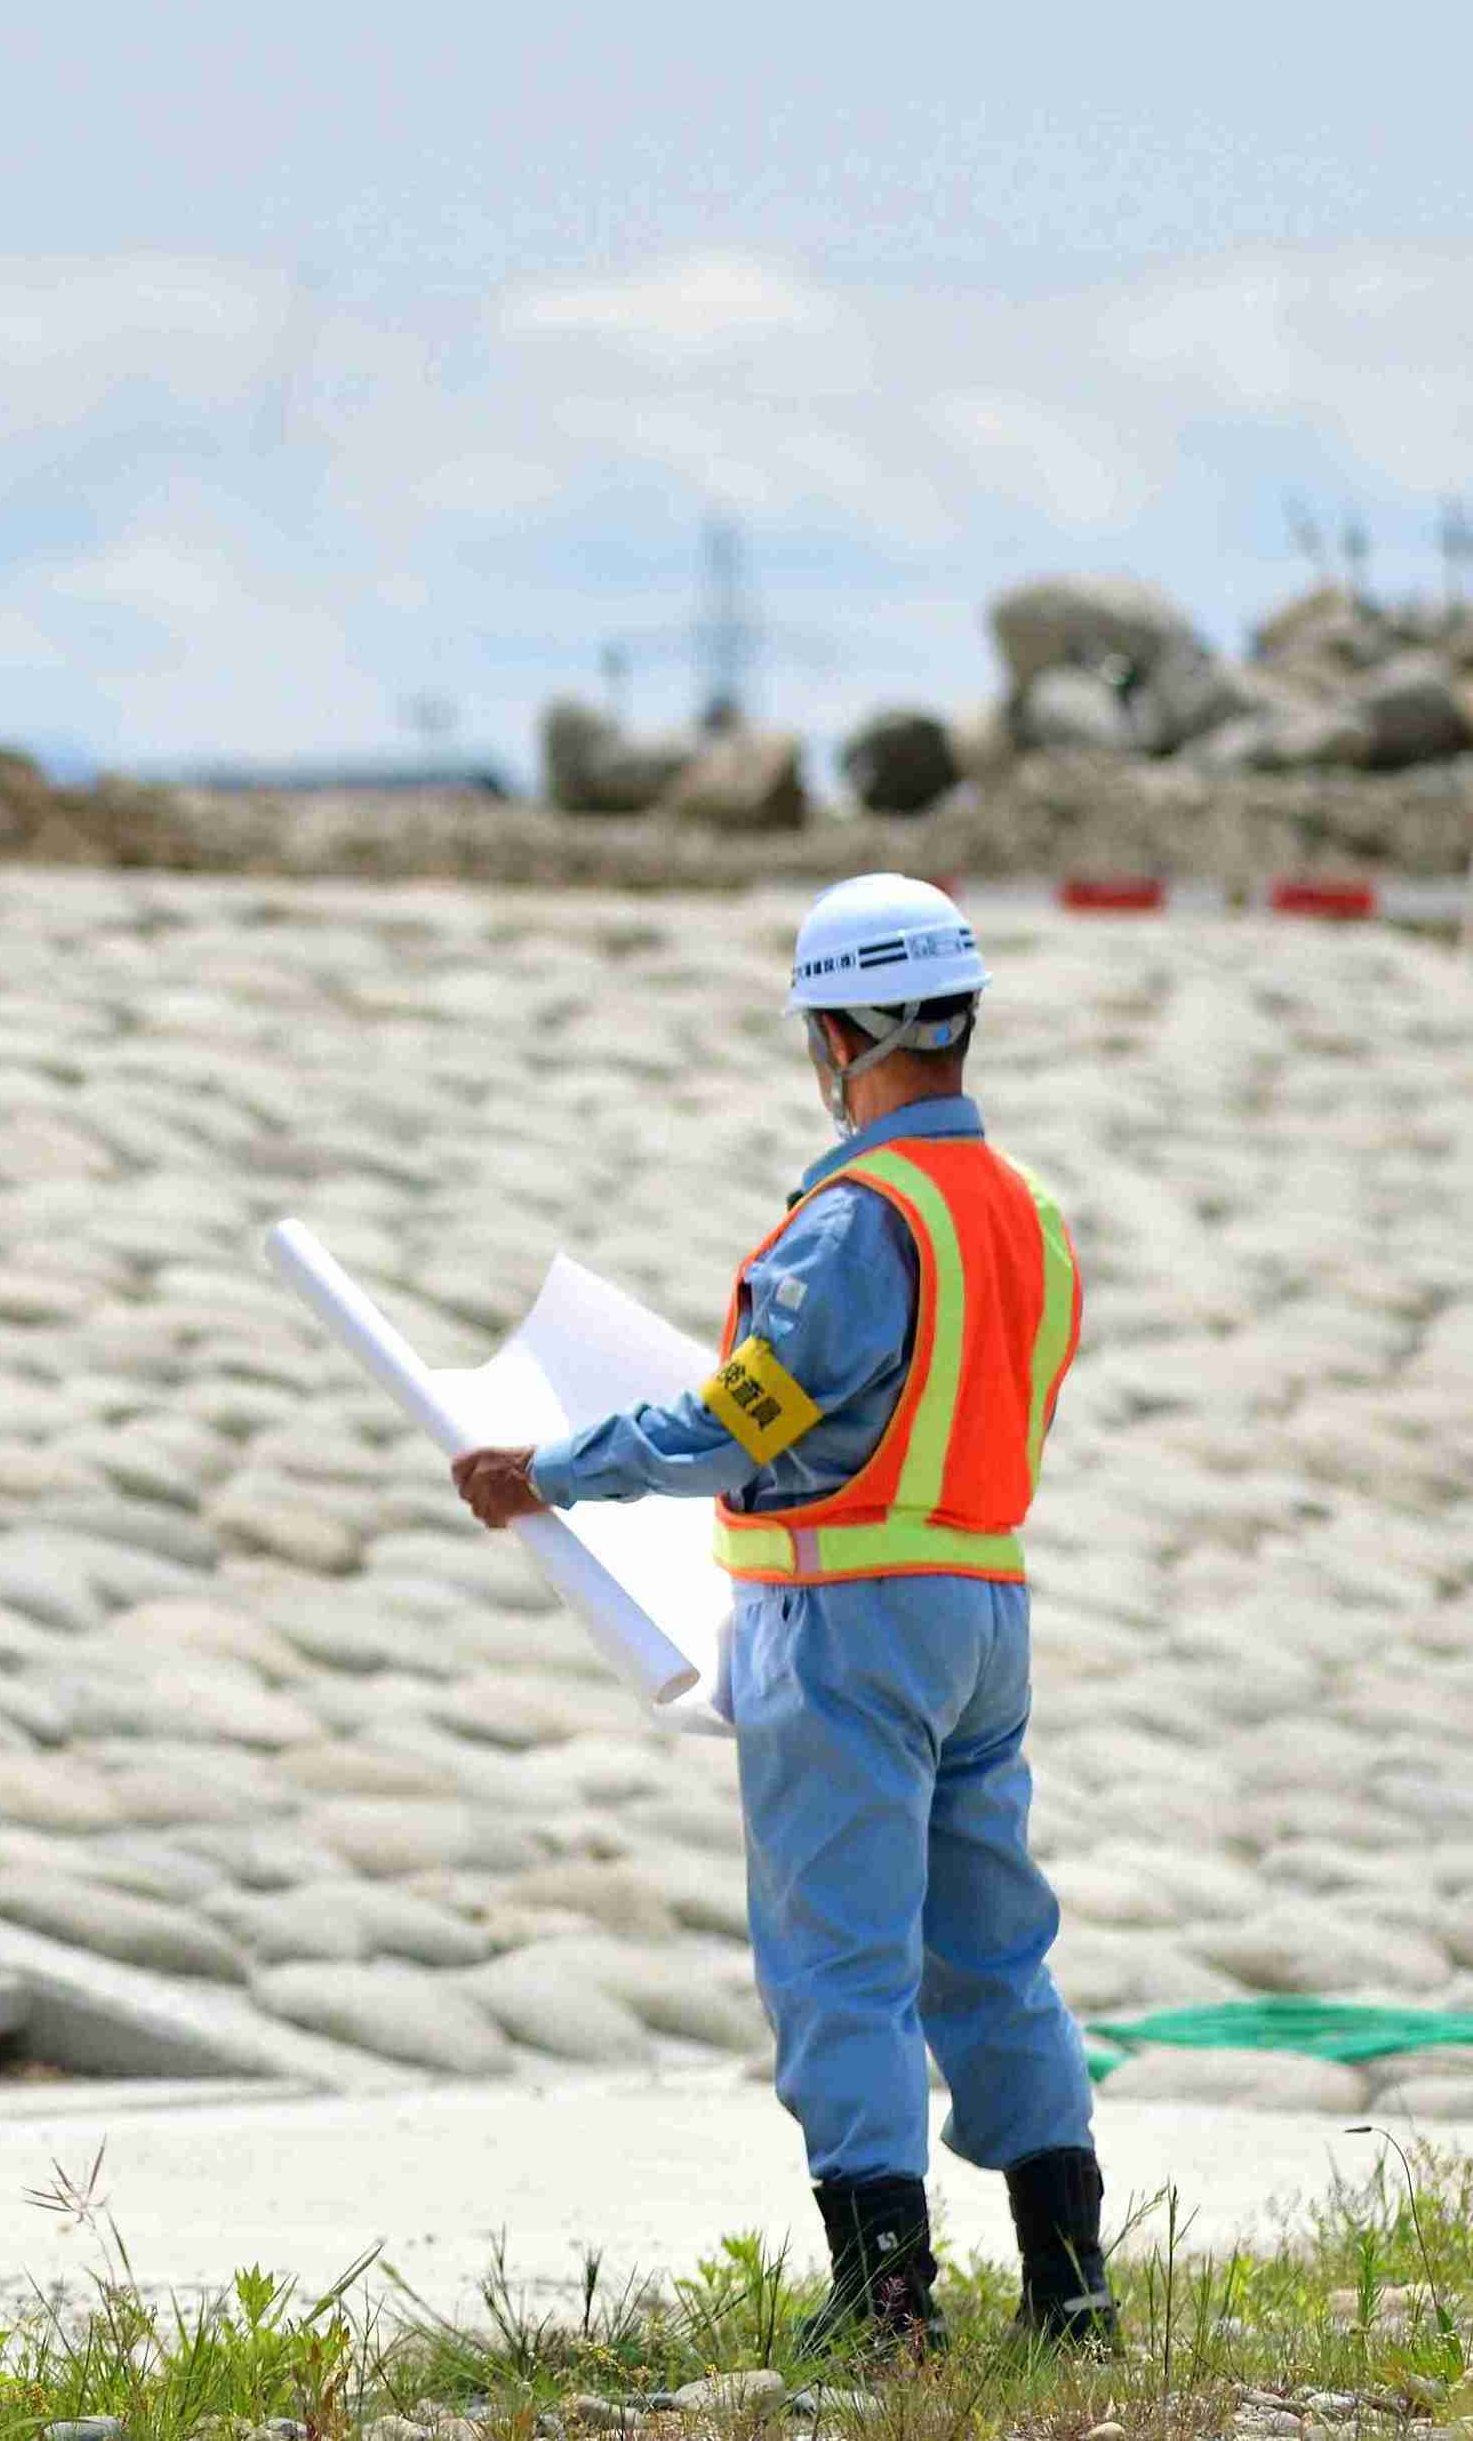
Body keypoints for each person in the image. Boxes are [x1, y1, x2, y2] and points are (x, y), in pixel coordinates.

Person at [449, 872, 1105, 2360]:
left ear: (841, 1033)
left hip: (847, 1624)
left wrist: (545, 1467)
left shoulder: (856, 1221)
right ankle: (1071, 2290)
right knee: (995, 1951)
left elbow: (735, 1423)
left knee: (838, 1959)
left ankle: (883, 2305)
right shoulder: (1029, 1215)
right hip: (983, 1609)